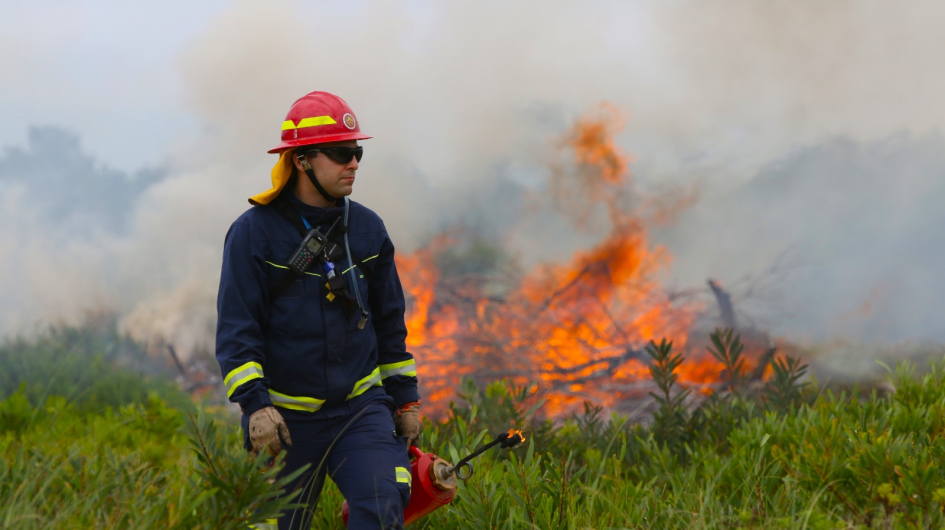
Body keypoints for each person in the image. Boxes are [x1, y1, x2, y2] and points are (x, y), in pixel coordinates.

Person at [215, 90, 422, 530]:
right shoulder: (254, 234)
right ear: (303, 159)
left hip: (360, 412)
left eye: (358, 152)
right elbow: (238, 332)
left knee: (384, 505)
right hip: (284, 422)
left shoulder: (368, 229)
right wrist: (256, 406)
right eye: (342, 153)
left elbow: (389, 325)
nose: (354, 163)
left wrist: (405, 401)